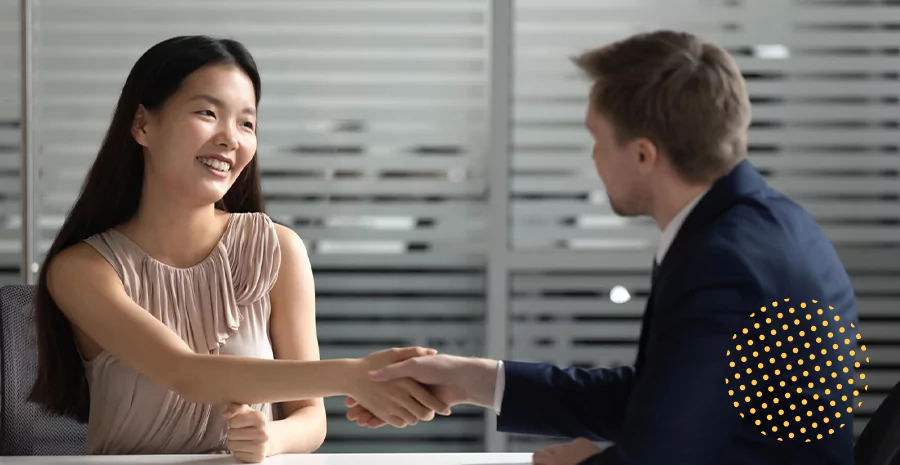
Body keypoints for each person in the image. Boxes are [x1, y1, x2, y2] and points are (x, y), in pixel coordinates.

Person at [345, 30, 860, 465]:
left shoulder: (724, 264)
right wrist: (474, 380)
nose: (593, 157)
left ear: (642, 155)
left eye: (597, 139)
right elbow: (661, 401)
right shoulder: (766, 224)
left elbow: (661, 448)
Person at [28, 35, 449, 463]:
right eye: (208, 113)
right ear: (142, 125)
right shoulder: (82, 269)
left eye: (247, 123)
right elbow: (185, 372)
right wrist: (354, 375)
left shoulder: (279, 249)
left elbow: (310, 417)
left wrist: (273, 438)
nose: (230, 139)